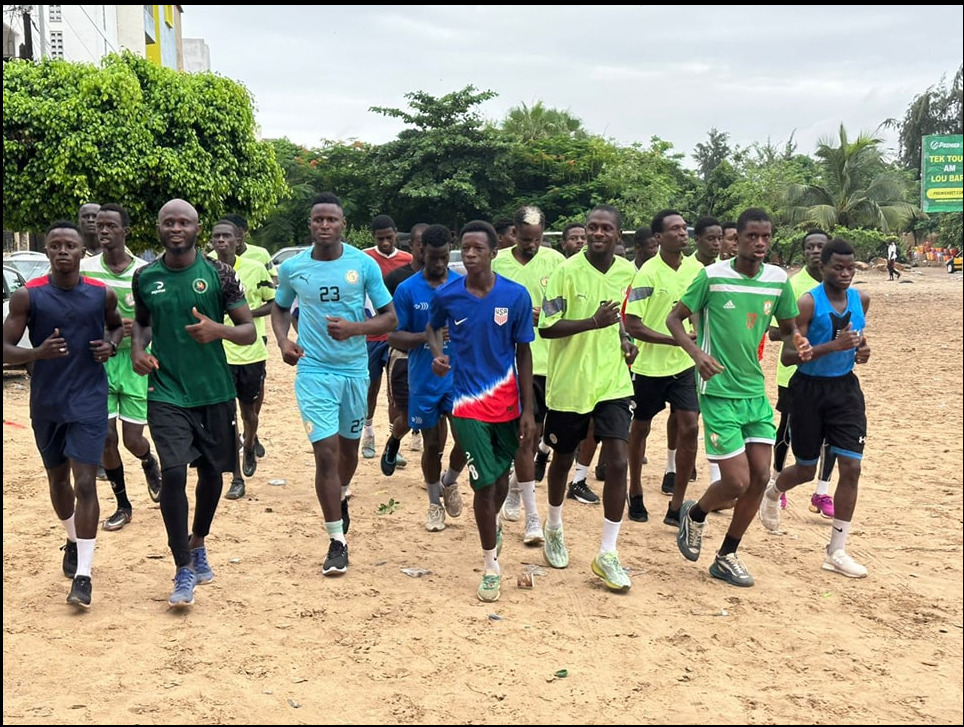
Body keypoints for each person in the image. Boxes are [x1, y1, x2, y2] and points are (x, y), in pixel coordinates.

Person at [666, 207, 808, 588]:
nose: (759, 244)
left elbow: (787, 326)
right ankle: (695, 514)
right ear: (737, 238)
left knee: (761, 476)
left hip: (754, 392)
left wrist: (798, 340)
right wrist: (696, 355)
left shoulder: (778, 280)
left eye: (766, 237)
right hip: (718, 392)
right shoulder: (712, 277)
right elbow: (674, 319)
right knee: (735, 481)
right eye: (752, 237)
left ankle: (727, 555)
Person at [132, 199, 257, 608]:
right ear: (159, 228)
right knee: (172, 474)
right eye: (168, 221)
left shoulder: (220, 274)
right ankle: (183, 566)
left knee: (212, 476)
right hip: (165, 390)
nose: (176, 228)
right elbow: (143, 322)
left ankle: (198, 541)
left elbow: (247, 332)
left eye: (183, 222)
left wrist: (216, 329)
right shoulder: (145, 276)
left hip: (214, 391)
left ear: (197, 228)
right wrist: (137, 350)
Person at [271, 192, 396, 577]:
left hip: (354, 372)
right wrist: (283, 342)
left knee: (347, 452)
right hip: (314, 372)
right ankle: (336, 541)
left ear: (343, 224)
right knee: (324, 453)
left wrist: (355, 328)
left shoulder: (363, 265)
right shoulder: (294, 268)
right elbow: (279, 307)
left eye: (331, 220)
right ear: (310, 225)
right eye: (317, 220)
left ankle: (341, 494)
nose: (324, 226)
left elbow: (390, 319)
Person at [3, 220, 123, 608]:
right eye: (54, 246)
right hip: (47, 403)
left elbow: (116, 328)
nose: (62, 251)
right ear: (48, 253)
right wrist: (35, 354)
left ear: (81, 251)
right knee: (59, 483)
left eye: (69, 245)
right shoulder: (28, 296)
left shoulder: (99, 294)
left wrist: (112, 346)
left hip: (89, 400)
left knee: (85, 483)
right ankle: (71, 539)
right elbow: (4, 348)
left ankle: (84, 575)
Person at [426, 220, 534, 602]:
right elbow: (432, 328)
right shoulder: (449, 295)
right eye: (466, 249)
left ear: (493, 252)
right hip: (466, 405)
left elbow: (523, 352)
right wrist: (439, 355)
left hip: (507, 405)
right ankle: (491, 565)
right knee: (485, 486)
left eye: (478, 249)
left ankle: (492, 531)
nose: (470, 255)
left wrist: (529, 410)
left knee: (501, 478)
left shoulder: (516, 296)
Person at [539, 204, 638, 592]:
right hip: (570, 384)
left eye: (606, 228)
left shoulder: (628, 272)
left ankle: (608, 553)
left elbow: (625, 321)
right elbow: (547, 328)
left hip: (613, 382)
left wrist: (626, 342)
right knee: (562, 460)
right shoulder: (565, 271)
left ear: (618, 234)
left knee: (617, 461)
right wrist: (591, 322)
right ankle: (553, 525)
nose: (598, 234)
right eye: (592, 227)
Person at [759, 237, 871, 578]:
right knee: (806, 468)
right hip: (807, 390)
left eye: (851, 267)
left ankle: (836, 551)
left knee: (851, 467)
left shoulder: (861, 299)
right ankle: (773, 491)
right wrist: (832, 346)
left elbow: (858, 340)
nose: (845, 273)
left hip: (845, 390)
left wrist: (861, 351)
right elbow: (791, 356)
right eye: (838, 267)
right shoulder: (807, 303)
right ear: (821, 267)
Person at [79, 204, 163, 530]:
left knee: (132, 440)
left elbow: (155, 318)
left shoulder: (144, 272)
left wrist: (138, 330)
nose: (103, 231)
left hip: (135, 363)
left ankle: (147, 460)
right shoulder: (85, 269)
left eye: (111, 226)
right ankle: (123, 504)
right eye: (99, 226)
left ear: (124, 231)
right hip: (100, 362)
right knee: (105, 438)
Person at [492, 205, 565, 545]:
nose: (531, 245)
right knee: (527, 434)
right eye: (525, 239)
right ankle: (525, 506)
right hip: (516, 362)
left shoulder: (556, 262)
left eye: (536, 239)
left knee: (546, 436)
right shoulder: (499, 263)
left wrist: (544, 314)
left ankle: (516, 486)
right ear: (514, 233)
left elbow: (563, 305)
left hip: (553, 361)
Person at [624, 210, 703, 527]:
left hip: (684, 367)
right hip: (648, 367)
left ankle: (677, 502)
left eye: (684, 228)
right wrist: (677, 340)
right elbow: (633, 324)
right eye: (675, 229)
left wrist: (694, 345)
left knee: (690, 428)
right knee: (640, 428)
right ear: (658, 238)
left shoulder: (697, 270)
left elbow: (701, 311)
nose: (683, 233)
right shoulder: (647, 274)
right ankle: (635, 489)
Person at [389, 224, 467, 530]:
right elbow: (394, 338)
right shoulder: (408, 290)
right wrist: (427, 335)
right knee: (433, 444)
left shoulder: (463, 285)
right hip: (424, 378)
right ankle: (434, 504)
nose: (438, 263)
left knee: (467, 441)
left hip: (460, 379)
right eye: (432, 257)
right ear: (422, 253)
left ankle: (450, 481)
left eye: (443, 257)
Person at [768, 230, 838, 517]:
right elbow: (774, 331)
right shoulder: (793, 286)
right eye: (809, 247)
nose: (815, 251)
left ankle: (821, 492)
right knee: (787, 426)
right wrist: (798, 336)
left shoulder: (839, 286)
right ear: (803, 252)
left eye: (820, 246)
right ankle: (776, 480)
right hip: (795, 374)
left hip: (832, 374)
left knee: (831, 433)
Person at [210, 218, 276, 500]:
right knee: (227, 417)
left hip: (251, 351)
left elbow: (273, 302)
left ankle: (249, 445)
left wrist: (246, 317)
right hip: (219, 352)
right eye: (217, 237)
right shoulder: (205, 269)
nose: (222, 241)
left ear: (238, 239)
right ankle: (236, 477)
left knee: (249, 412)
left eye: (228, 236)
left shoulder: (255, 266)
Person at [361, 215, 412, 460]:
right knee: (371, 386)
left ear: (396, 234)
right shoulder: (363, 258)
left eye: (389, 238)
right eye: (380, 239)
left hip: (397, 337)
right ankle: (368, 432)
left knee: (396, 393)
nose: (385, 243)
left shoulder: (408, 261)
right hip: (370, 336)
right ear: (374, 238)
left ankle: (395, 443)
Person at [380, 223, 430, 466]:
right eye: (421, 244)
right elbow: (385, 318)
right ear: (412, 246)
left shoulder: (450, 283)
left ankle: (435, 475)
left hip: (437, 358)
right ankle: (394, 438)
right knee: (409, 414)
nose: (425, 250)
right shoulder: (397, 280)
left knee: (438, 415)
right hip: (403, 354)